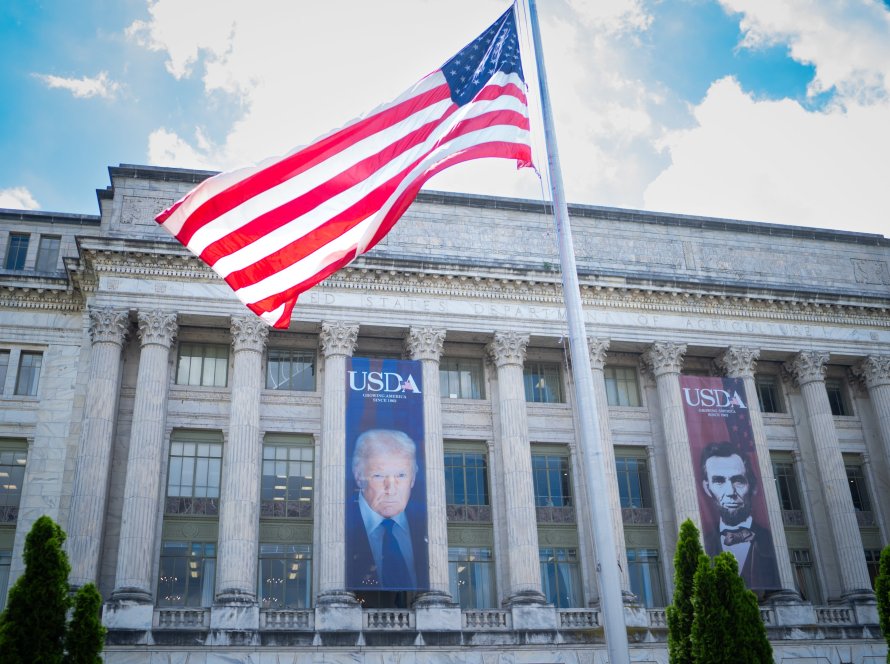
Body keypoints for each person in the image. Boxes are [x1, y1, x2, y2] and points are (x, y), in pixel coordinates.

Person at [346, 429, 429, 592]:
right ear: (358, 475)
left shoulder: (427, 521)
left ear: (413, 478)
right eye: (378, 476)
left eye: (401, 475)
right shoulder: (341, 520)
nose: (391, 489)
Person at [700, 441, 780, 592]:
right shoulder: (704, 544)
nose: (730, 492)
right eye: (719, 481)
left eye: (738, 481)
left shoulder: (772, 541)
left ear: (753, 486)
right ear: (707, 487)